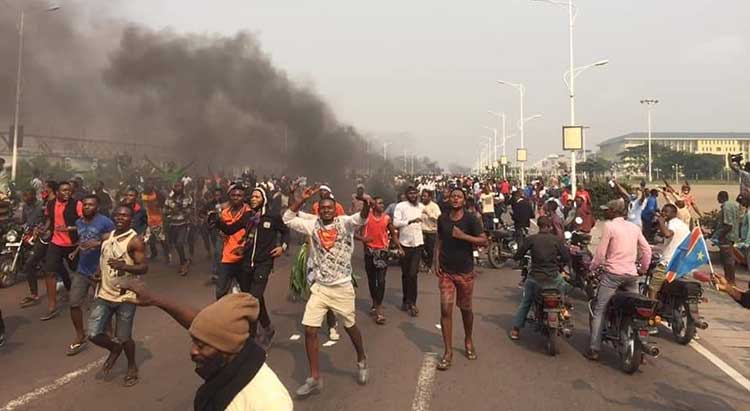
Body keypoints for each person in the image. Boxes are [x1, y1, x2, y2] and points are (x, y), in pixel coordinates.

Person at [123, 282, 293, 410]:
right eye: (194, 342)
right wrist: (155, 300)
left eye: (202, 346)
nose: (193, 351)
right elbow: (201, 325)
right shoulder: (237, 350)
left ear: (227, 349)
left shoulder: (271, 402)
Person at [283, 186, 370, 397]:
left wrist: (367, 203)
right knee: (310, 330)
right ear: (318, 210)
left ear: (335, 209)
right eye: (323, 208)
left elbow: (362, 217)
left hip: (342, 287)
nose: (327, 211)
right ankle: (314, 378)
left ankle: (361, 359)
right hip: (320, 288)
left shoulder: (345, 223)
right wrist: (299, 200)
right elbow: (287, 218)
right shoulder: (312, 224)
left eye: (330, 208)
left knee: (350, 327)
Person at [215, 186, 289, 349]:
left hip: (264, 263)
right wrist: (217, 222)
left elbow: (285, 232)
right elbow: (230, 229)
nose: (254, 199)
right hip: (247, 263)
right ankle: (268, 328)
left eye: (257, 196)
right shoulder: (247, 216)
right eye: (253, 197)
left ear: (264, 199)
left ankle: (252, 339)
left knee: (252, 300)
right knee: (256, 299)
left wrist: (282, 247)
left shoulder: (272, 216)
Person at [87, 205, 148, 387]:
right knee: (92, 333)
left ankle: (131, 367)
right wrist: (98, 273)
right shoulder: (107, 237)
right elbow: (104, 259)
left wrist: (125, 267)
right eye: (118, 215)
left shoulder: (135, 241)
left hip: (125, 296)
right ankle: (114, 348)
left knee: (124, 336)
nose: (120, 218)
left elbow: (144, 267)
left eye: (125, 215)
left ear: (131, 219)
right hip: (104, 294)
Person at [585, 199, 651, 361]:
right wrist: (642, 269)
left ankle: (594, 348)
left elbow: (600, 255)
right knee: (635, 309)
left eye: (608, 210)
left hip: (612, 275)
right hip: (631, 276)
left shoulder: (610, 226)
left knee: (600, 309)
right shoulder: (634, 227)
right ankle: (640, 348)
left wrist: (592, 268)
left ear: (614, 212)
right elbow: (647, 250)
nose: (606, 212)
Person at [434, 188, 487, 371]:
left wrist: (464, 236)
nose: (455, 199)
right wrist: (436, 262)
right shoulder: (443, 218)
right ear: (449, 199)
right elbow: (439, 241)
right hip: (447, 271)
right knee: (445, 309)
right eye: (453, 196)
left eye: (459, 197)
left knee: (465, 309)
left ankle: (468, 339)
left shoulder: (471, 219)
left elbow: (483, 240)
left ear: (464, 200)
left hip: (465, 271)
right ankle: (448, 352)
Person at [66, 195, 115, 356]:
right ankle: (80, 335)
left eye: (91, 205)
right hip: (82, 270)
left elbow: (114, 242)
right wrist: (76, 251)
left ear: (97, 207)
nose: (87, 207)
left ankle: (110, 336)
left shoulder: (105, 222)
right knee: (74, 303)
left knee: (103, 304)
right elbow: (84, 240)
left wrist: (98, 243)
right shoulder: (79, 222)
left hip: (99, 270)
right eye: (85, 204)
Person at [509, 216, 570, 340]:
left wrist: (515, 258)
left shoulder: (531, 239)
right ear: (549, 226)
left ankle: (516, 329)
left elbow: (519, 254)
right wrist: (562, 265)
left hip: (535, 277)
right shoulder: (556, 240)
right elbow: (566, 256)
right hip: (553, 276)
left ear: (538, 225)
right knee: (564, 288)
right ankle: (564, 312)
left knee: (526, 302)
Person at [40, 181, 83, 321]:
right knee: (49, 271)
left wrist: (70, 229)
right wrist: (44, 229)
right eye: (64, 190)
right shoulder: (51, 204)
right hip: (55, 243)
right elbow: (50, 220)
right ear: (57, 191)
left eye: (69, 190)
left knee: (79, 273)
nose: (67, 193)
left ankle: (81, 298)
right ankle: (52, 306)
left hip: (72, 245)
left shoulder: (77, 204)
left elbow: (85, 223)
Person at [356, 197, 399, 324]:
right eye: (379, 203)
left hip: (382, 253)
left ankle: (379, 309)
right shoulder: (366, 218)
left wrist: (399, 247)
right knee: (371, 280)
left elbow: (393, 234)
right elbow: (354, 232)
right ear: (373, 205)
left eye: (382, 203)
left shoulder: (386, 218)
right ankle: (374, 302)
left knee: (380, 281)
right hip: (369, 252)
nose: (382, 205)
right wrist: (362, 239)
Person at [393, 186, 425, 317]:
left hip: (418, 243)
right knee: (405, 274)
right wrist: (410, 221)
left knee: (413, 274)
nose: (413, 196)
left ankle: (413, 303)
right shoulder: (401, 206)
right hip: (404, 244)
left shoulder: (421, 207)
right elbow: (395, 223)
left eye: (415, 193)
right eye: (410, 193)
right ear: (406, 195)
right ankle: (405, 299)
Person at [648, 204, 690, 299]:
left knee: (653, 287)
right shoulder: (683, 225)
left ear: (674, 213)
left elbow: (667, 234)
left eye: (666, 211)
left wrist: (661, 222)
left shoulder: (673, 223)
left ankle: (651, 309)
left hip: (668, 262)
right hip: (680, 263)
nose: (663, 213)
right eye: (662, 211)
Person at [18, 189, 46, 308]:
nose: (24, 197)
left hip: (42, 236)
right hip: (29, 234)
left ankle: (68, 285)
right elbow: (23, 221)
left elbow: (47, 221)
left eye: (27, 194)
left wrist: (40, 229)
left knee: (32, 264)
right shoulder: (25, 207)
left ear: (34, 195)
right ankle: (33, 294)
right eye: (23, 195)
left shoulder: (42, 205)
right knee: (30, 263)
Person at [164, 180, 193, 275]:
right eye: (176, 186)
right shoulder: (169, 198)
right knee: (175, 245)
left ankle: (183, 264)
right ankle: (184, 259)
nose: (177, 188)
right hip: (172, 225)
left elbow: (191, 210)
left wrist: (180, 209)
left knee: (179, 243)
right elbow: (165, 210)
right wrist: (172, 212)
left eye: (179, 186)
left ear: (182, 187)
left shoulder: (187, 197)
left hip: (183, 224)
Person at [713, 191, 739, 285]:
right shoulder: (734, 205)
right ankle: (729, 280)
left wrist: (717, 236)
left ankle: (730, 281)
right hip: (731, 236)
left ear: (720, 197)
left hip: (726, 237)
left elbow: (728, 225)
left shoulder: (726, 207)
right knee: (728, 259)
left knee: (727, 260)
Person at [142, 181, 169, 262]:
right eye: (148, 184)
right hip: (146, 220)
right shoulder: (142, 195)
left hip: (157, 220)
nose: (149, 186)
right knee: (147, 240)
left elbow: (164, 203)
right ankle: (153, 253)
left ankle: (167, 255)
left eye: (150, 184)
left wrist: (161, 209)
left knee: (161, 239)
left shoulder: (157, 194)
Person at [420, 190, 441, 273]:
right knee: (420, 248)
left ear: (430, 197)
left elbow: (438, 218)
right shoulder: (419, 205)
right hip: (421, 230)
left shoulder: (434, 206)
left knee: (430, 250)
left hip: (431, 231)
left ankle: (429, 266)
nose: (423, 197)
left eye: (425, 196)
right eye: (422, 196)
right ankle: (424, 263)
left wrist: (428, 213)